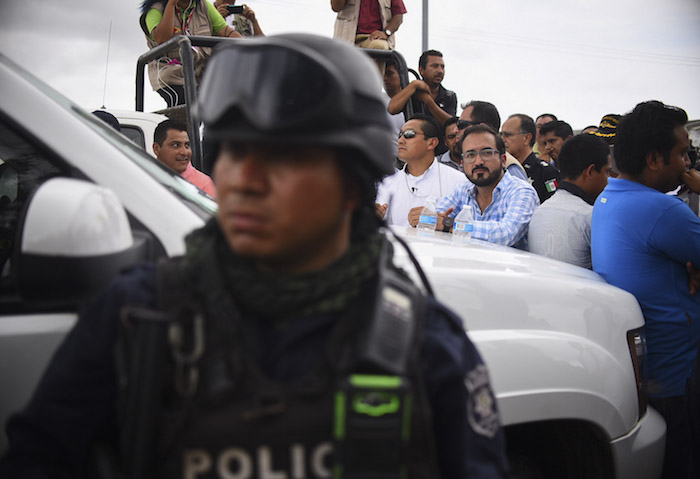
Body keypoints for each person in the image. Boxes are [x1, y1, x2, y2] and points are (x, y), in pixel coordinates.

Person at [0, 33, 510, 479]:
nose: (243, 179)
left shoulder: (426, 346)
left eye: (282, 160)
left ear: (352, 187)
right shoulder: (139, 318)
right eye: (232, 152)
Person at [591, 100, 700, 479]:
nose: (687, 164)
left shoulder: (609, 196)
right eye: (682, 153)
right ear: (654, 159)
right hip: (677, 375)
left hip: (646, 369)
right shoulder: (663, 210)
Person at [436, 124, 539, 249]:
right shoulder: (463, 190)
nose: (478, 161)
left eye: (486, 153)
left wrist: (450, 225)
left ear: (503, 160)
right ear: (462, 164)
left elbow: (504, 234)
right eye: (470, 155)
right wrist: (422, 216)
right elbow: (435, 217)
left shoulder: (522, 191)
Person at [139, 0, 250, 107]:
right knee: (183, 102)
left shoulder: (203, 6)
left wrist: (252, 46)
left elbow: (226, 31)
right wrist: (171, 4)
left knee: (223, 100)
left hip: (200, 73)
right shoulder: (156, 9)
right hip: (170, 74)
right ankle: (175, 125)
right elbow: (161, 38)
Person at [528, 134, 612, 269]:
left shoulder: (539, 212)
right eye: (607, 172)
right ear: (590, 172)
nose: (609, 180)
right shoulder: (590, 216)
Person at [376, 114, 465, 227]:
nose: (400, 141)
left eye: (409, 134)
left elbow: (468, 225)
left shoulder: (458, 181)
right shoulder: (388, 183)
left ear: (432, 143)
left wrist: (444, 224)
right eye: (400, 135)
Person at [460, 101, 527, 182]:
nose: (456, 130)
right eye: (471, 155)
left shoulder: (510, 168)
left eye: (461, 124)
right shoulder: (462, 190)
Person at [388, 50, 457, 128]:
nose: (440, 71)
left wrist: (428, 101)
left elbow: (451, 125)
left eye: (442, 67)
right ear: (421, 70)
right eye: (435, 66)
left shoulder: (449, 96)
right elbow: (391, 109)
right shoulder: (411, 91)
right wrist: (413, 85)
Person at [501, 114, 560, 203]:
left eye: (508, 135)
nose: (502, 139)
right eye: (501, 135)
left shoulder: (546, 172)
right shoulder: (501, 171)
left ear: (526, 138)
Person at [153, 119, 216, 197]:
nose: (184, 152)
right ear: (156, 149)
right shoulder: (143, 175)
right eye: (176, 145)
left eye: (187, 145)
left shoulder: (203, 186)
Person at [331, 0, 406, 51]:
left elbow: (398, 16)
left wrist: (386, 33)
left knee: (380, 47)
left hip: (374, 39)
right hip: (347, 40)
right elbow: (336, 7)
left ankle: (375, 75)